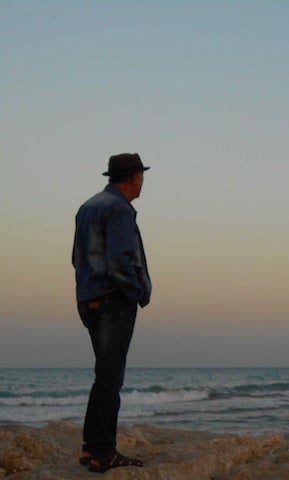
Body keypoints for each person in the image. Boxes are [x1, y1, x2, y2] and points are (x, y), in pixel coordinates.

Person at [72, 153, 152, 473]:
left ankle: (92, 448)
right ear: (134, 178)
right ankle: (103, 453)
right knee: (111, 378)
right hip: (112, 300)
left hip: (89, 298)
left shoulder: (88, 207)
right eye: (142, 176)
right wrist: (136, 292)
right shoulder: (119, 209)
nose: (143, 182)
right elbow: (120, 261)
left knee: (104, 376)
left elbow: (77, 257)